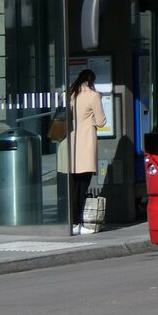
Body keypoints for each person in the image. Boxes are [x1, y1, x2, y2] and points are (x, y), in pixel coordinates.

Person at [68, 69, 106, 235]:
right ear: (91, 80)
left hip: (72, 143)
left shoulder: (71, 93)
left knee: (74, 186)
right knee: (83, 186)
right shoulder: (93, 95)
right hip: (86, 144)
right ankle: (78, 222)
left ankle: (72, 222)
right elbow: (101, 121)